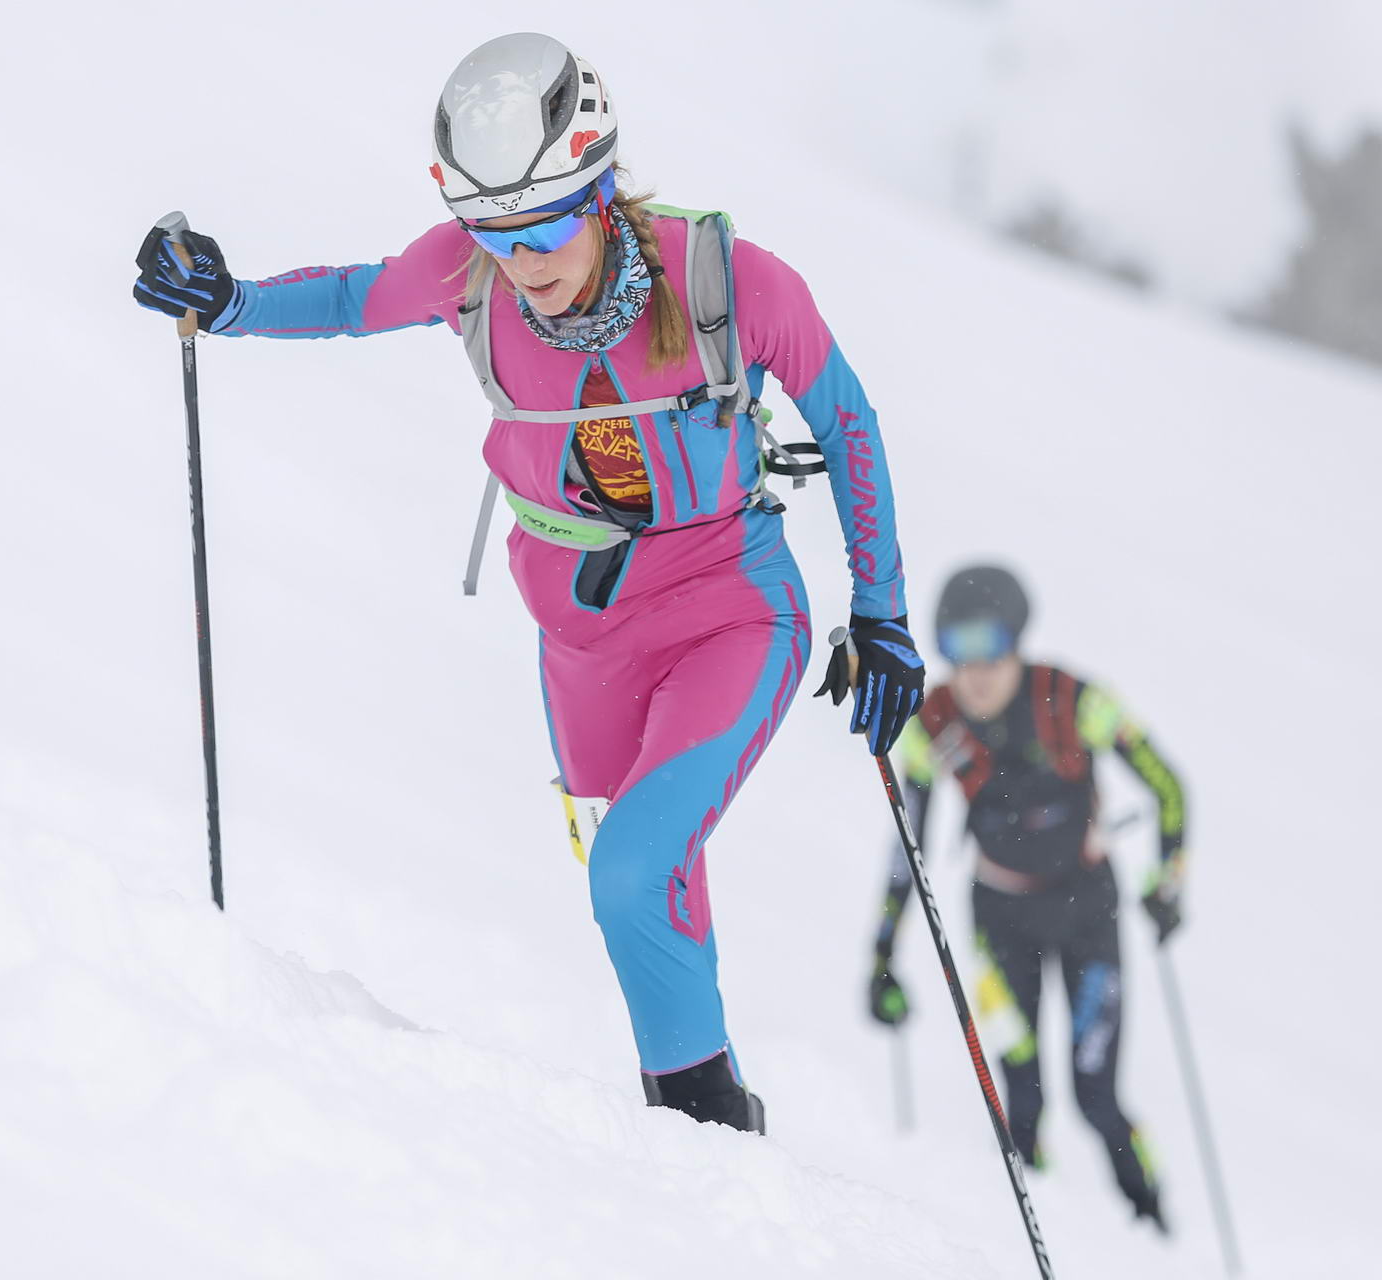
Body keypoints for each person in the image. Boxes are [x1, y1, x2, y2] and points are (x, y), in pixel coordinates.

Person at [136, 32, 924, 1134]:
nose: (524, 258)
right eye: (493, 231)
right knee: (633, 870)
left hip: (731, 605)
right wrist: (224, 301)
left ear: (602, 184)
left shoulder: (727, 282)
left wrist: (880, 611)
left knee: (634, 868)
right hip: (580, 635)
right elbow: (355, 297)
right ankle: (721, 1133)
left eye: (549, 222)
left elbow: (848, 423)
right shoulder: (471, 276)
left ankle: (703, 1135)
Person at [865, 565, 1187, 1228]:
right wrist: (882, 954)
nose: (975, 670)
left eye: (991, 646)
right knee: (1020, 1092)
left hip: (1087, 915)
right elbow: (908, 845)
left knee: (1095, 1095)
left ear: (1018, 641)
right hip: (998, 922)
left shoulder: (1074, 702)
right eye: (957, 649)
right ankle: (1038, 1230)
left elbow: (1169, 787)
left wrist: (1167, 885)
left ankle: (1152, 1222)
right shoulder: (935, 725)